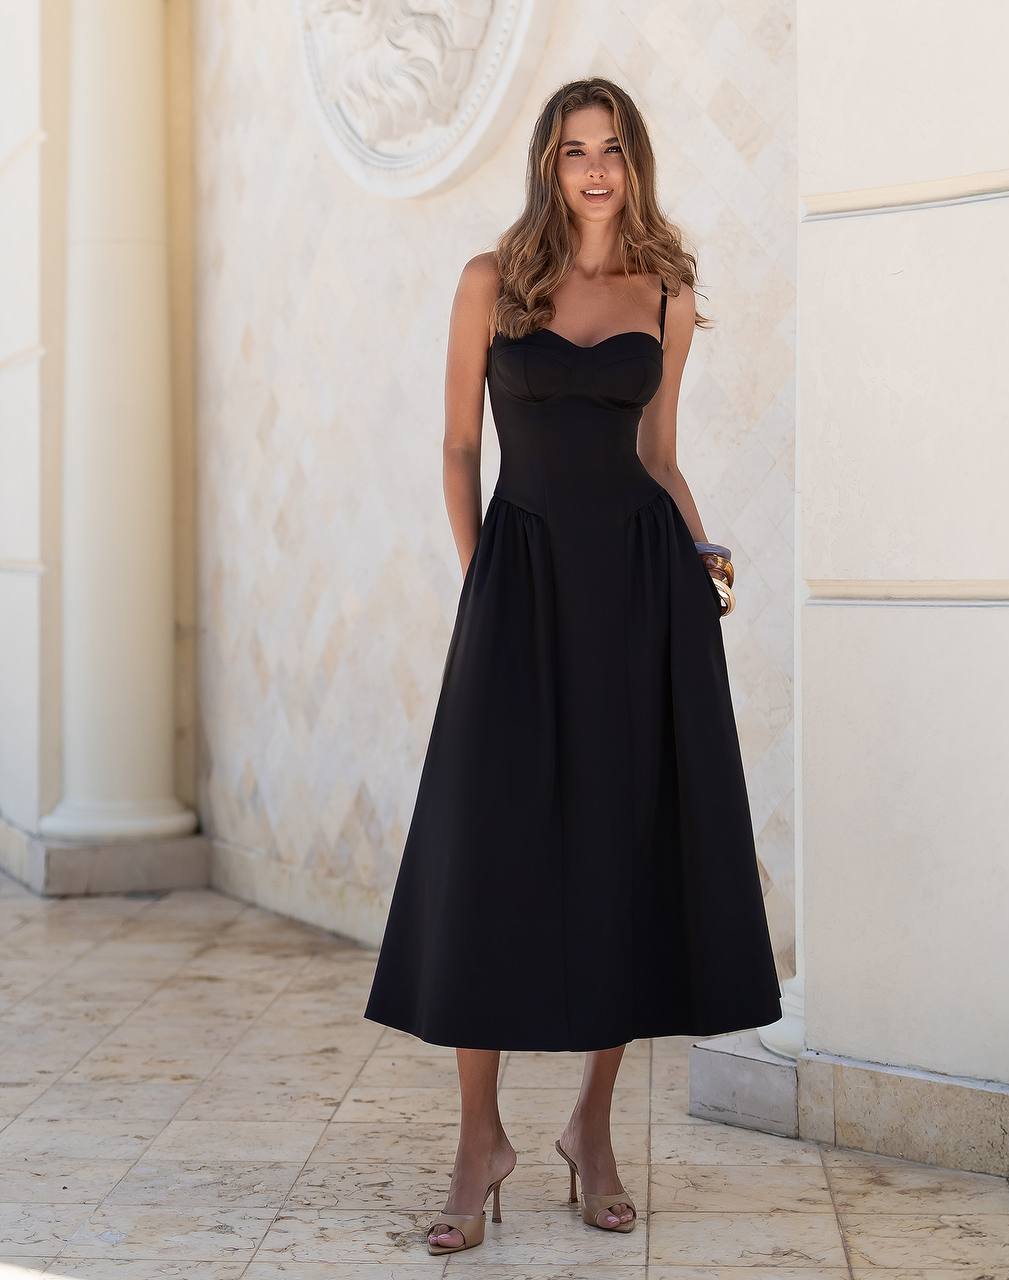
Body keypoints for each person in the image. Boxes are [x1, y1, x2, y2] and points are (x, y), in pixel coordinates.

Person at [363, 76, 782, 1255]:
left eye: (611, 151)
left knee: (626, 846)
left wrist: (705, 561)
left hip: (644, 593)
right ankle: (478, 1137)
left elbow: (657, 451)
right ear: (548, 167)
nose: (595, 170)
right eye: (572, 152)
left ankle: (589, 1129)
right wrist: (480, 577)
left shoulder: (668, 290)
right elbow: (456, 446)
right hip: (520, 585)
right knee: (486, 847)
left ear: (634, 162)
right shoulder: (491, 283)